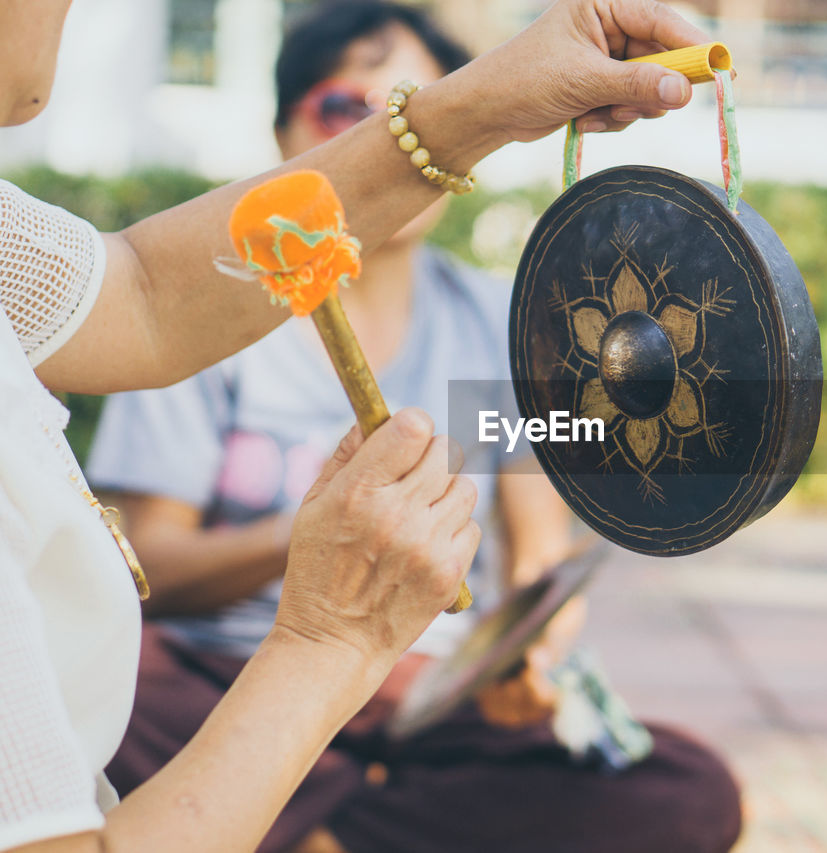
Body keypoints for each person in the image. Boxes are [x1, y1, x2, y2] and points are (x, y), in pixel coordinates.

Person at [0, 1, 713, 850]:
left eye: (406, 100)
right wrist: (331, 617)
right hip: (221, 675)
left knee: (681, 786)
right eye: (347, 109)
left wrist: (522, 650)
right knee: (137, 691)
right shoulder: (230, 336)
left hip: (420, 689)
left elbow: (146, 292)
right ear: (284, 132)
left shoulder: (496, 316)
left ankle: (300, 823)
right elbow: (161, 540)